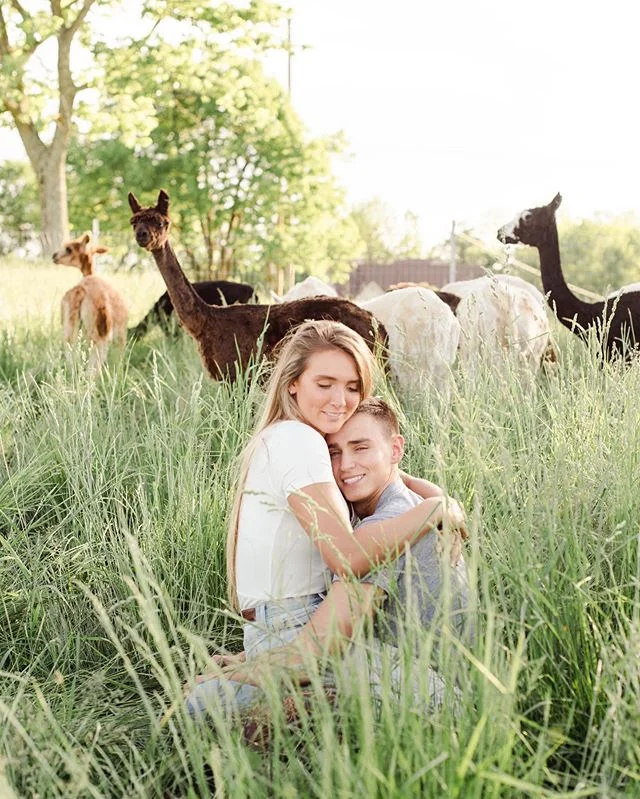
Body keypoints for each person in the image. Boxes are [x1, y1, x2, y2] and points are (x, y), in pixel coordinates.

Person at [184, 320, 467, 719]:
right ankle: (254, 702)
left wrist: (441, 500)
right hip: (298, 625)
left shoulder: (293, 437)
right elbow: (347, 557)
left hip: (297, 623)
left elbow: (393, 477)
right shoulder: (299, 440)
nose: (341, 399)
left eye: (353, 387)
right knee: (444, 702)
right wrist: (436, 509)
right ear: (293, 382)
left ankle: (288, 702)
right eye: (325, 384)